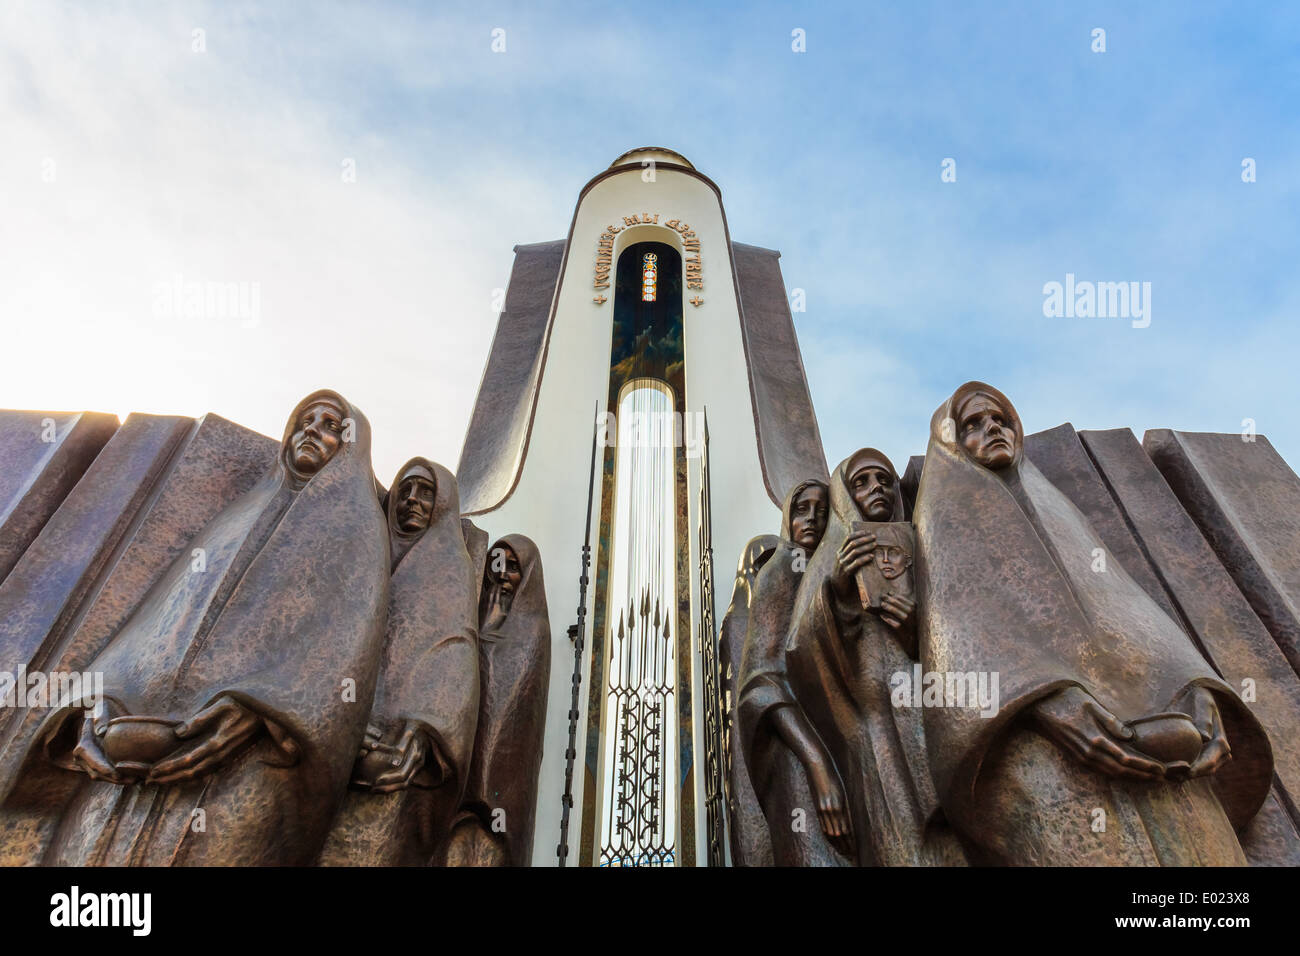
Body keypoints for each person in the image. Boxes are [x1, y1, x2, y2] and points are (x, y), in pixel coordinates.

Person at [19, 389, 389, 866]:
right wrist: (100, 702)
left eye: (332, 425)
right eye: (305, 420)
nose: (313, 430)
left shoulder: (356, 528)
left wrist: (255, 708)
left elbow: (342, 649)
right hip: (136, 746)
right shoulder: (238, 516)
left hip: (254, 755)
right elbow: (155, 624)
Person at [913, 381, 1272, 865]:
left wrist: (1193, 686)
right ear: (951, 442)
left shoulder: (1060, 511)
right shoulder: (944, 521)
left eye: (1000, 419)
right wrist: (1050, 701)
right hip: (1033, 740)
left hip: (1153, 729)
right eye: (973, 424)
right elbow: (959, 633)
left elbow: (1128, 608)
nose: (992, 428)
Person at [784, 450, 965, 866]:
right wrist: (837, 589)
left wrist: (920, 627)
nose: (875, 489)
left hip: (931, 713)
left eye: (883, 479)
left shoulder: (922, 548)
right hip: (877, 729)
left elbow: (964, 633)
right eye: (861, 482)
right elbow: (799, 651)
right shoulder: (832, 555)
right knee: (903, 844)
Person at [318, 458, 480, 866]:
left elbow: (452, 654)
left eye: (426, 493)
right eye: (405, 490)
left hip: (388, 746)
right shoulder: (365, 548)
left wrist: (423, 726)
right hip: (323, 727)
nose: (411, 500)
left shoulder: (450, 567)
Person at [737, 479, 855, 865]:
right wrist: (818, 765)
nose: (812, 520)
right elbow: (761, 680)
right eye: (802, 509)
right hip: (798, 753)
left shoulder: (826, 570)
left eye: (822, 512)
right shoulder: (783, 567)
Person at [443, 535, 550, 866]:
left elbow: (509, 706)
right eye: (496, 565)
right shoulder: (470, 621)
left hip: (499, 781)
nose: (502, 575)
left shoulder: (533, 630)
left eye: (512, 567)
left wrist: (487, 636)